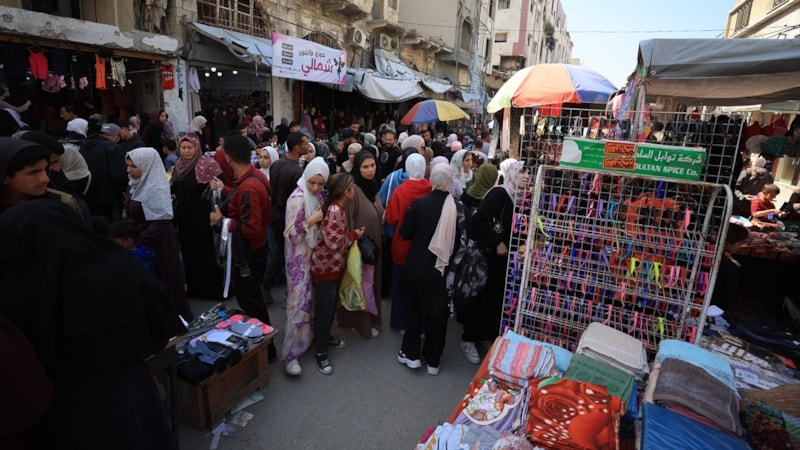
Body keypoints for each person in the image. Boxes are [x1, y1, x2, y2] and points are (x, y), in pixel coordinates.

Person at [0, 200, 184, 450]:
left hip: (65, 414)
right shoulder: (116, 266)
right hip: (132, 399)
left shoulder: (17, 292)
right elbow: (161, 331)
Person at [209, 135, 278, 361]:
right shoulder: (254, 176)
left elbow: (251, 228)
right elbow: (244, 200)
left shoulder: (249, 186)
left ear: (227, 158)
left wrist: (221, 221)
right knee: (252, 298)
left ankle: (266, 348)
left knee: (251, 301)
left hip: (249, 254)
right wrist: (227, 190)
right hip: (255, 250)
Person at [458, 160, 525, 365]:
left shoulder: (522, 197)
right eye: (523, 172)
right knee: (480, 296)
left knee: (495, 298)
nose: (526, 177)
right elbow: (478, 221)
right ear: (513, 173)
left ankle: (485, 335)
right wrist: (497, 242)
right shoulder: (500, 194)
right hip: (487, 258)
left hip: (504, 261)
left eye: (528, 173)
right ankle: (468, 339)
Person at [397, 163, 461, 376]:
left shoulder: (419, 205)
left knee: (413, 311)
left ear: (432, 180)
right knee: (437, 316)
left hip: (416, 266)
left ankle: (411, 355)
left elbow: (405, 233)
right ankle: (433, 361)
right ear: (450, 181)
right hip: (441, 272)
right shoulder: (459, 209)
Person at [125, 146, 193, 322]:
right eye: (128, 166)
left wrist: (138, 242)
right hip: (140, 241)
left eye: (133, 166)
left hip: (158, 244)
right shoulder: (135, 184)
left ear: (146, 167)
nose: (129, 170)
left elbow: (160, 222)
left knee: (165, 280)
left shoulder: (155, 188)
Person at [311, 173, 364, 374]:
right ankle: (321, 353)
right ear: (345, 192)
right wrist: (354, 235)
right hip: (326, 268)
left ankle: (324, 339)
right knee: (325, 309)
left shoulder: (337, 208)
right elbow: (334, 243)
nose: (354, 190)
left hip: (331, 267)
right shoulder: (334, 211)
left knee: (329, 306)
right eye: (352, 187)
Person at [281, 157, 330, 376]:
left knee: (312, 300)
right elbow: (291, 235)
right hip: (298, 258)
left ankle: (308, 339)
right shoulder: (297, 198)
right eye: (312, 182)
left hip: (314, 254)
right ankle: (291, 354)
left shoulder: (319, 195)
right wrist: (311, 221)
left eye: (320, 183)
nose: (316, 187)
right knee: (297, 302)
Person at [171, 131, 224, 299]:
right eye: (183, 147)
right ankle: (194, 288)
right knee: (189, 253)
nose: (186, 151)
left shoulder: (208, 164)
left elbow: (220, 188)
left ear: (197, 147)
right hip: (185, 218)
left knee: (206, 253)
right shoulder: (178, 165)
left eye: (189, 147)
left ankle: (212, 290)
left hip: (203, 218)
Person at [338, 150, 384, 339]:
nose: (370, 170)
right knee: (362, 284)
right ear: (357, 167)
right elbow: (348, 220)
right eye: (365, 166)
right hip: (360, 248)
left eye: (372, 165)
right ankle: (359, 323)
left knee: (369, 284)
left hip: (373, 247)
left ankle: (368, 319)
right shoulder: (353, 190)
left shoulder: (372, 187)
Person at [384, 153, 430, 334]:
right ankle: (422, 326)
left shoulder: (401, 191)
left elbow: (392, 218)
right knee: (422, 290)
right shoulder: (431, 188)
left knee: (400, 287)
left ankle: (400, 322)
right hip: (425, 247)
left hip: (402, 246)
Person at [262, 131, 309, 304]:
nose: (308, 146)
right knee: (286, 254)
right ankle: (269, 286)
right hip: (287, 216)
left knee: (280, 253)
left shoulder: (278, 164)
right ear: (297, 148)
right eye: (305, 143)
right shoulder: (296, 171)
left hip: (275, 213)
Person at [80, 123, 128, 221]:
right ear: (115, 135)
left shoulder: (84, 146)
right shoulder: (114, 148)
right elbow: (118, 176)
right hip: (109, 199)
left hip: (87, 195)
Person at [711, 223, 749, 311]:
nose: (740, 246)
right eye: (740, 243)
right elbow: (726, 296)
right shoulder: (730, 267)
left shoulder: (707, 255)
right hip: (714, 306)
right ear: (729, 242)